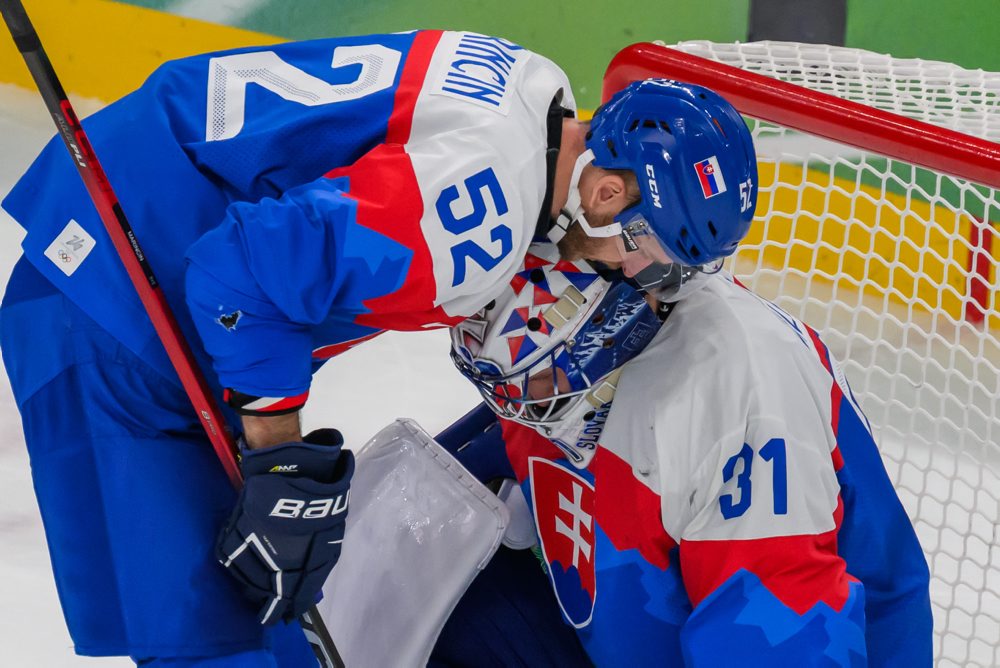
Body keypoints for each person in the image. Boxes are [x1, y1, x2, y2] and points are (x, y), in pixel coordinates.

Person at [0, 24, 756, 666]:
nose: (635, 271)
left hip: (123, 247)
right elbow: (239, 276)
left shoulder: (535, 90)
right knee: (216, 634)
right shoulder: (480, 216)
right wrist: (279, 462)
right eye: (646, 247)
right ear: (605, 192)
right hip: (112, 304)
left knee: (239, 618)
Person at [444, 236, 934, 665]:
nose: (516, 400)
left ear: (601, 334)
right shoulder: (556, 347)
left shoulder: (737, 399)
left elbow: (777, 633)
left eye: (536, 377)